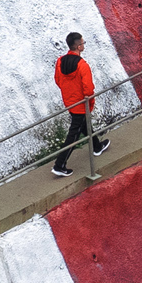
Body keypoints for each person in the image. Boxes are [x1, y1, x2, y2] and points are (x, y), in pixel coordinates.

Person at [50, 32, 109, 176]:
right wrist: (89, 102)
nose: (84, 45)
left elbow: (58, 80)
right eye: (83, 43)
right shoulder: (82, 65)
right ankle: (59, 165)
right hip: (81, 104)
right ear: (78, 46)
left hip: (69, 102)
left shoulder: (60, 61)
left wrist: (69, 93)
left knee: (84, 125)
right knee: (74, 134)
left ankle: (97, 146)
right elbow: (88, 89)